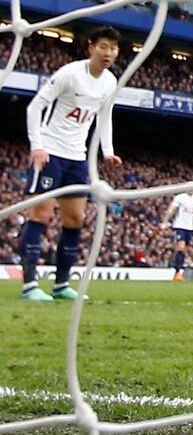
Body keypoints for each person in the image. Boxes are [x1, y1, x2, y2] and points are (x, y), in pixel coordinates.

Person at [20, 25, 124, 301]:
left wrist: (107, 151)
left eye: (113, 48)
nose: (108, 53)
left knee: (75, 219)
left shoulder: (110, 82)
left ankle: (61, 284)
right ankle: (29, 285)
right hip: (51, 153)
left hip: (77, 157)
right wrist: (37, 146)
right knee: (41, 215)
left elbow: (106, 116)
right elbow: (35, 107)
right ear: (91, 47)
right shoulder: (69, 74)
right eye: (103, 46)